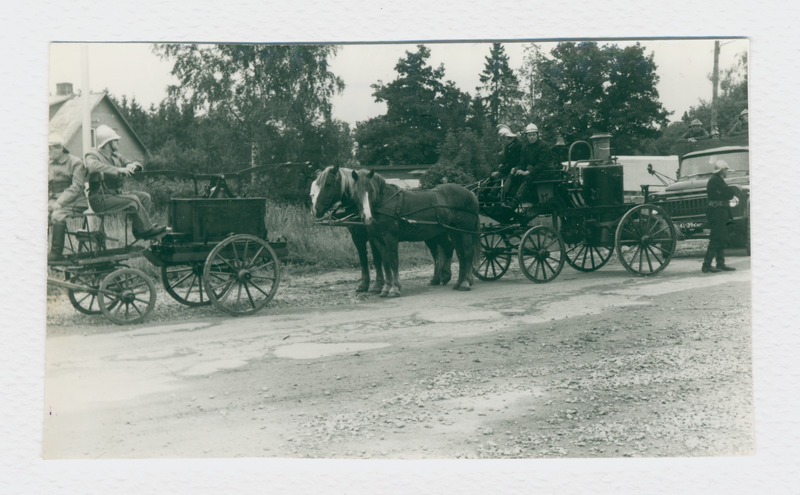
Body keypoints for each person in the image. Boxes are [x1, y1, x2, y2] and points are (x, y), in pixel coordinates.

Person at [83, 125, 166, 240]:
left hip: (116, 195)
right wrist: (118, 170)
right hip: (100, 199)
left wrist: (133, 165)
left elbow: (131, 163)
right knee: (133, 199)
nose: (118, 143)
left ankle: (140, 230)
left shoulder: (116, 155)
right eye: (116, 141)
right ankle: (147, 229)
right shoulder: (92, 155)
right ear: (107, 143)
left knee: (145, 197)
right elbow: (92, 167)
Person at [48, 132, 88, 261]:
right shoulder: (49, 164)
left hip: (75, 201)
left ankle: (56, 253)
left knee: (57, 215)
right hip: (54, 200)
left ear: (60, 148)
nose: (48, 152)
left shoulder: (76, 163)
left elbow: (76, 187)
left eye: (50, 149)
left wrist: (59, 203)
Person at [506, 123, 555, 209]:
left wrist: (527, 172)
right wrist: (517, 169)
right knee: (514, 175)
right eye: (529, 135)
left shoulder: (544, 145)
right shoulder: (526, 146)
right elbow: (523, 163)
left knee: (528, 178)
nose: (532, 137)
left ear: (537, 135)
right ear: (527, 136)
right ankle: (505, 198)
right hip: (535, 171)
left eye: (533, 135)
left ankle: (514, 203)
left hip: (546, 171)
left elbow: (542, 164)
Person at [702, 160, 736, 273]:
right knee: (716, 237)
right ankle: (706, 265)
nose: (727, 172)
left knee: (721, 237)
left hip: (719, 212)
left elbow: (727, 193)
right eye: (726, 170)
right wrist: (730, 191)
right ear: (722, 170)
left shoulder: (717, 180)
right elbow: (730, 193)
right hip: (717, 213)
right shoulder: (716, 181)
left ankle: (720, 263)